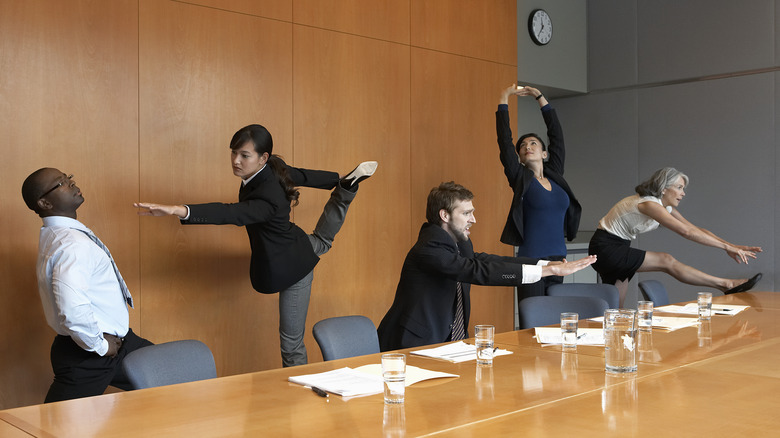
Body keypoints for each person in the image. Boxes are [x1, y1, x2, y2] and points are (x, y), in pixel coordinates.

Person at [134, 124, 377, 367]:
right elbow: (301, 175)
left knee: (291, 343)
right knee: (321, 241)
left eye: (244, 155)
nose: (236, 161)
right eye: (233, 152)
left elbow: (230, 213)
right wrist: (337, 179)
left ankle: (301, 400)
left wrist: (180, 210)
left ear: (263, 158)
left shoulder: (268, 197)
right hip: (294, 243)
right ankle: (347, 186)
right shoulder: (272, 168)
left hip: (294, 268)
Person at [376, 182, 596, 351]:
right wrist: (547, 272)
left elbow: (486, 261)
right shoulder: (429, 248)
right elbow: (476, 271)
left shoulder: (457, 242)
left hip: (445, 344)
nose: (474, 219)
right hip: (412, 345)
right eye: (466, 213)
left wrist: (546, 263)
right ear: (444, 215)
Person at [21, 168, 154, 403]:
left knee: (174, 378)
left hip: (118, 342)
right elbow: (72, 309)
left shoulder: (59, 234)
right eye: (60, 183)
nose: (71, 183)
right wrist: (101, 346)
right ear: (44, 202)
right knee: (58, 428)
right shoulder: (70, 244)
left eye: (68, 177)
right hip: (90, 351)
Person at [588, 167, 762, 306]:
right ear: (663, 189)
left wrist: (732, 246)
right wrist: (726, 248)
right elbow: (686, 233)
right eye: (679, 188)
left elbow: (694, 229)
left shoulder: (664, 208)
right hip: (606, 247)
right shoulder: (648, 204)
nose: (683, 193)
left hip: (618, 247)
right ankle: (727, 285)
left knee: (615, 313)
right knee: (666, 260)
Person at [496, 85, 582, 310]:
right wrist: (504, 99)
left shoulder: (555, 175)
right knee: (531, 323)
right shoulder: (520, 178)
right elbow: (505, 143)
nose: (527, 147)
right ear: (521, 158)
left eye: (533, 143)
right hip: (531, 261)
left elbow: (557, 135)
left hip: (559, 258)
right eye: (523, 146)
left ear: (545, 153)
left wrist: (540, 98)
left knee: (554, 321)